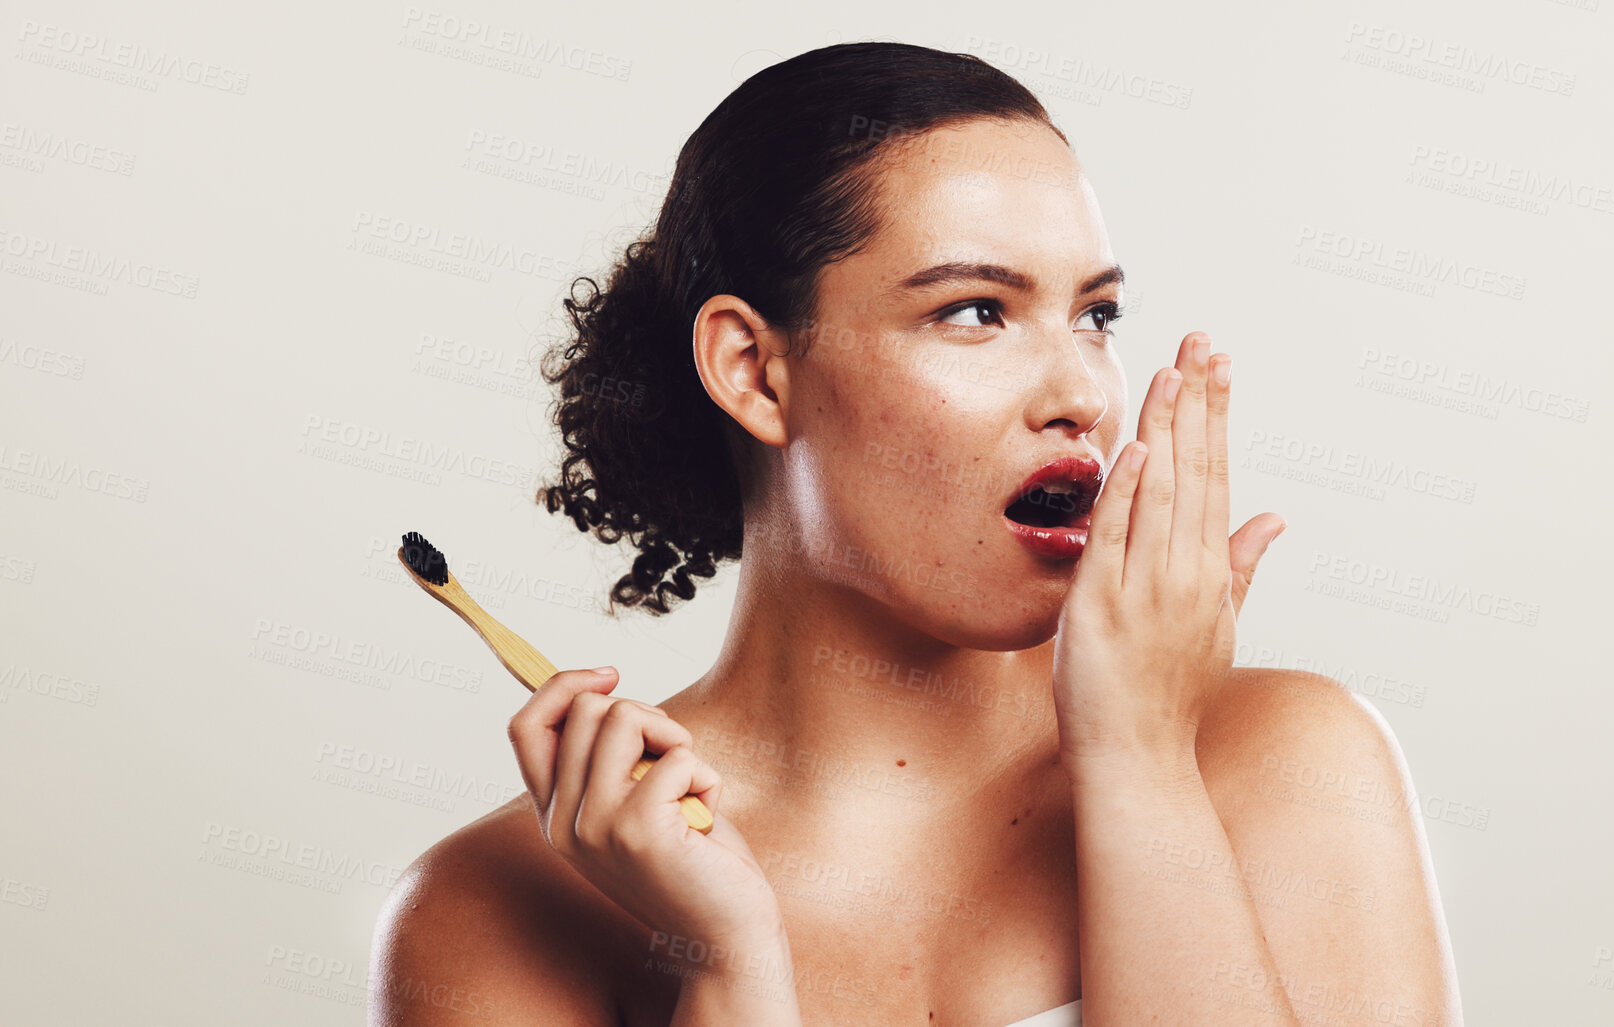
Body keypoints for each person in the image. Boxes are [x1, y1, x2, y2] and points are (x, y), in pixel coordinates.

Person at [369, 40, 1462, 1026]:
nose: (1083, 394)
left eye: (1096, 315)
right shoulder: (496, 909)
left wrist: (1139, 764)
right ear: (754, 371)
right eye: (976, 311)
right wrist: (728, 966)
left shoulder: (1288, 764)